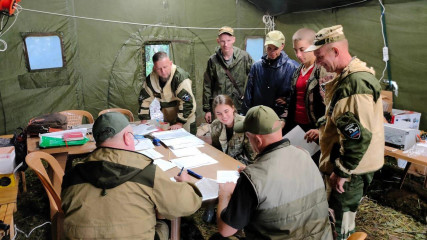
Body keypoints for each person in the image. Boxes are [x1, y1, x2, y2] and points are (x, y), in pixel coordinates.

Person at [61, 112, 202, 239]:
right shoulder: (147, 171)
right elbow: (186, 205)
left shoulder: (72, 175)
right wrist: (187, 183)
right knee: (163, 225)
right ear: (128, 138)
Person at [305, 25, 384, 239]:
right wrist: (322, 126)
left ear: (336, 51)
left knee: (338, 219)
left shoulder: (354, 84)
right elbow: (343, 117)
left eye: (320, 56)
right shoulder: (348, 75)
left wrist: (341, 172)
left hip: (353, 168)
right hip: (354, 163)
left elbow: (358, 137)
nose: (318, 62)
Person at [216, 105, 332, 239]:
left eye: (248, 136)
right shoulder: (304, 154)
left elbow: (226, 230)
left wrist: (224, 193)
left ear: (258, 140)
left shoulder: (252, 178)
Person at [285, 28, 332, 164]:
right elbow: (292, 99)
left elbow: (331, 106)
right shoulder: (298, 70)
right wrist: (284, 120)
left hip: (314, 129)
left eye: (302, 49)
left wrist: (321, 129)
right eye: (295, 50)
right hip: (297, 128)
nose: (298, 54)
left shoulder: (323, 70)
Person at [241, 30, 299, 121]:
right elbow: (248, 93)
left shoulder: (292, 67)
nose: (272, 52)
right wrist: (244, 116)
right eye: (269, 48)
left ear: (282, 46)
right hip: (259, 115)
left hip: (280, 118)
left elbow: (298, 94)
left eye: (275, 48)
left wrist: (287, 100)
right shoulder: (256, 67)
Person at [203, 26, 254, 123]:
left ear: (233, 40)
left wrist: (250, 101)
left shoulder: (243, 57)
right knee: (219, 134)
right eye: (222, 41)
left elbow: (255, 77)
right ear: (218, 41)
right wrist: (207, 110)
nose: (226, 44)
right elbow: (207, 85)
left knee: (238, 133)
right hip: (219, 107)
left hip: (237, 106)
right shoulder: (213, 61)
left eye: (228, 40)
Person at [138, 51, 197, 134]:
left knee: (188, 143)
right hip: (168, 117)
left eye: (165, 67)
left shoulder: (180, 77)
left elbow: (187, 102)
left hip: (185, 118)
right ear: (154, 68)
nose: (163, 71)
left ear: (170, 63)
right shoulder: (150, 80)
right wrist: (144, 121)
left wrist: (179, 123)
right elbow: (144, 100)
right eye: (159, 69)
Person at [211, 94, 255, 166]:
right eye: (219, 113)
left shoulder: (246, 124)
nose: (224, 116)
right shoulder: (215, 125)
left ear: (233, 108)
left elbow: (252, 157)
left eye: (226, 111)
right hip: (223, 164)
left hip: (243, 166)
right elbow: (217, 150)